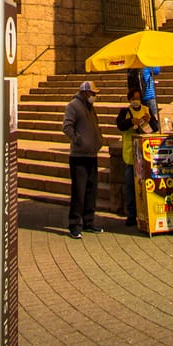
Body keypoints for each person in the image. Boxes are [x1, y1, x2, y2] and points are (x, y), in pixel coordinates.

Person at [62, 81, 104, 239]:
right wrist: (78, 140)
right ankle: (74, 224)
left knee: (91, 190)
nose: (95, 96)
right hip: (79, 156)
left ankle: (89, 221)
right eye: (93, 93)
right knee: (78, 192)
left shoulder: (90, 107)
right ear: (86, 92)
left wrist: (99, 140)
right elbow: (67, 127)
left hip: (92, 154)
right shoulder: (73, 106)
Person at [115, 88, 152, 227]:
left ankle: (146, 212)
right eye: (134, 98)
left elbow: (154, 126)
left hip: (145, 153)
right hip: (130, 154)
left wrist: (150, 120)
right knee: (130, 186)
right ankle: (132, 214)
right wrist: (131, 121)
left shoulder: (147, 110)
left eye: (138, 98)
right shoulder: (125, 112)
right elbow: (120, 126)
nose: (136, 100)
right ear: (129, 99)